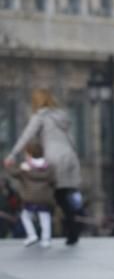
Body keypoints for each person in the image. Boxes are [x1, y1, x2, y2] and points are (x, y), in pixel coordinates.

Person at [4, 89, 84, 245]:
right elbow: (70, 137)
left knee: (45, 195)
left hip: (54, 156)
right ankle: (71, 230)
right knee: (63, 195)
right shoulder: (61, 116)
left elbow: (26, 135)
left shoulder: (40, 117)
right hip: (70, 156)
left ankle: (40, 231)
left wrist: (12, 154)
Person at [6, 141, 56, 248]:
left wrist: (9, 165)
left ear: (29, 154)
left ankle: (32, 235)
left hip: (30, 198)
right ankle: (46, 239)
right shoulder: (49, 166)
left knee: (25, 216)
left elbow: (14, 174)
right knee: (45, 217)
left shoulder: (25, 167)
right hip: (44, 198)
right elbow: (53, 181)